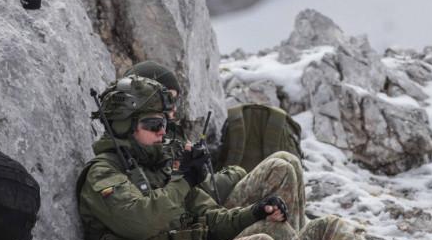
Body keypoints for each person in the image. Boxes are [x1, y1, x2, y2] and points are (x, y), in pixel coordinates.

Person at [77, 75, 378, 240]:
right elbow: (141, 221)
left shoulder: (160, 169)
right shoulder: (102, 174)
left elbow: (213, 220)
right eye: (154, 125)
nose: (163, 132)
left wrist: (256, 212)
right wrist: (183, 180)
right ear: (123, 126)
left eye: (164, 125)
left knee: (289, 228)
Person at [122, 61, 307, 230]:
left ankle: (294, 237)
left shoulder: (170, 132)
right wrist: (236, 173)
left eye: (176, 101)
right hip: (203, 216)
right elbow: (198, 189)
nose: (174, 108)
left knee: (288, 159)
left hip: (206, 207)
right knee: (280, 167)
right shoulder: (147, 139)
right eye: (168, 100)